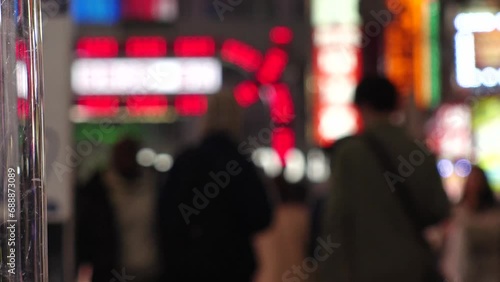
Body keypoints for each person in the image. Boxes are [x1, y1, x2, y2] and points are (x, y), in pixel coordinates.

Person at [316, 76, 450, 282]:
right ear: (396, 105)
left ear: (362, 106)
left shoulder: (350, 154)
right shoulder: (418, 151)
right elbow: (440, 209)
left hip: (365, 269)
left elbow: (337, 219)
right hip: (413, 268)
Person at [157, 91, 273, 282]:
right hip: (234, 268)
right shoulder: (241, 166)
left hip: (190, 269)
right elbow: (262, 217)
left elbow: (166, 218)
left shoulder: (187, 161)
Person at [75, 137, 160, 282]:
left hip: (150, 270)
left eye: (130, 154)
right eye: (122, 155)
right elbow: (87, 233)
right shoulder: (98, 191)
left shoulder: (153, 185)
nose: (126, 160)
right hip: (111, 271)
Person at [442, 165, 500, 282]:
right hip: (463, 274)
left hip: (490, 272)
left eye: (476, 180)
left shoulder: (494, 214)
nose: (473, 185)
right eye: (471, 180)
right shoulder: (457, 211)